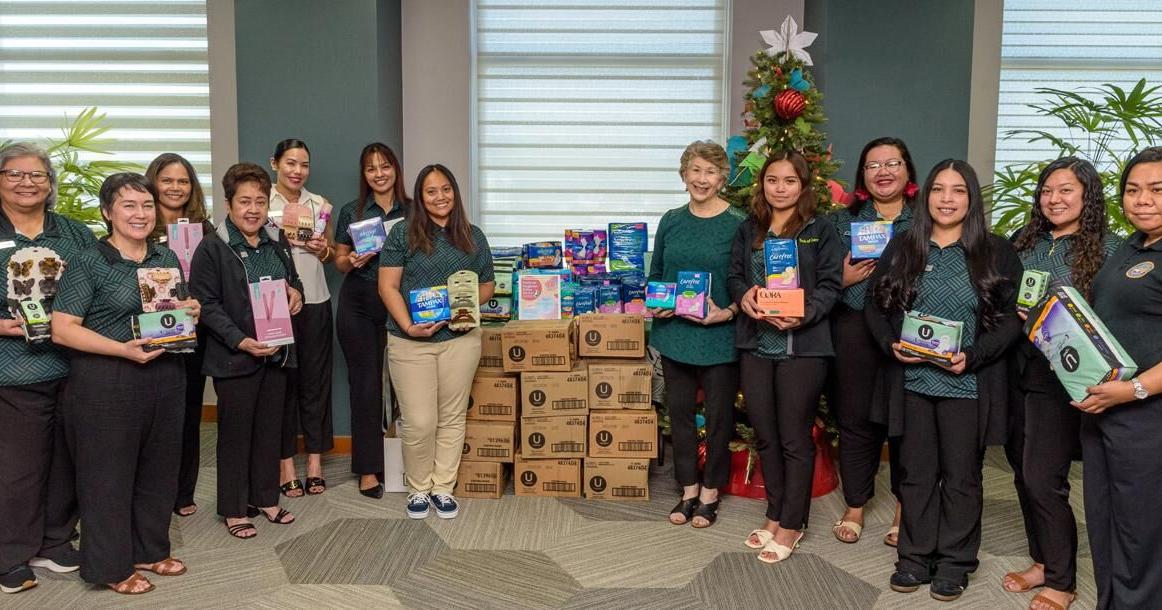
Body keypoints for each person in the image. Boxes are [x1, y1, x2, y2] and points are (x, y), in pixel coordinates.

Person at [865, 159, 1023, 602]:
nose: (947, 199)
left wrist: (973, 356)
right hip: (911, 382)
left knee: (961, 477)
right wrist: (890, 343)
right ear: (925, 196)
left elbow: (1012, 321)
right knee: (914, 474)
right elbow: (874, 308)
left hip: (967, 385)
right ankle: (913, 557)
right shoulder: (903, 246)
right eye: (938, 190)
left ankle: (954, 562)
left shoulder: (995, 251)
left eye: (958, 191)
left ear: (970, 199)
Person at [52, 172, 199, 594]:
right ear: (108, 212)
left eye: (147, 205)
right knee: (107, 478)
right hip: (105, 382)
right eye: (129, 205)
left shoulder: (165, 259)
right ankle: (110, 567)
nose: (140, 214)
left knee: (158, 470)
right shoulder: (88, 261)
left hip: (165, 376)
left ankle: (149, 549)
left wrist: (191, 311)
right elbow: (63, 328)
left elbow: (173, 315)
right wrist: (122, 349)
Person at [1003, 157, 1121, 610]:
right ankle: (1043, 561)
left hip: (1065, 377)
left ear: (1087, 195)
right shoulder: (1025, 242)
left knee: (1043, 477)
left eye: (1066, 190)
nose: (1054, 199)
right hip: (1017, 370)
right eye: (1047, 191)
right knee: (1020, 472)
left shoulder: (1109, 249)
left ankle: (1063, 582)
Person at [729, 151, 844, 563]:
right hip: (756, 345)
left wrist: (803, 314)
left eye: (789, 180)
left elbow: (831, 285)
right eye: (772, 180)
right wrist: (743, 296)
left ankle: (792, 524)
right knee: (766, 435)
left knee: (795, 438)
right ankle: (775, 514)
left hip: (804, 348)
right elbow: (734, 276)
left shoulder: (820, 229)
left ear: (803, 185)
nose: (780, 188)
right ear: (763, 185)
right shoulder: (750, 229)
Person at [188, 162, 303, 539]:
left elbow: (292, 281)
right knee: (236, 434)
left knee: (270, 429)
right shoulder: (213, 247)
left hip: (276, 351)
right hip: (234, 355)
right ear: (228, 204)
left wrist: (295, 293)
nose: (252, 209)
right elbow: (205, 304)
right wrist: (240, 339)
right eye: (244, 202)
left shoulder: (276, 239)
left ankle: (266, 498)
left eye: (259, 201)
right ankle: (236, 508)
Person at [0, 142, 93, 594]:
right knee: (19, 468)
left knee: (64, 461)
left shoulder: (73, 233)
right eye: (15, 174)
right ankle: (10, 554)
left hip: (72, 365)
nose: (27, 183)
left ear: (50, 184)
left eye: (37, 175)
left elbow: (100, 283)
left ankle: (55, 539)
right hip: (14, 370)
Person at [379, 164, 494, 520]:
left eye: (446, 189)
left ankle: (443, 488)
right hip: (410, 341)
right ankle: (419, 488)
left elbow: (488, 285)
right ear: (421, 196)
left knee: (451, 417)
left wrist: (465, 305)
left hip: (460, 340)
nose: (440, 197)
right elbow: (387, 286)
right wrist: (410, 326)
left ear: (455, 193)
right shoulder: (402, 234)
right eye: (431, 191)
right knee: (419, 420)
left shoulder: (473, 235)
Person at [1078, 147, 1162, 610]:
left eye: (1156, 189)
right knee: (1106, 520)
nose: (1142, 199)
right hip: (1106, 409)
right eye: (1133, 189)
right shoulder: (1129, 246)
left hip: (1146, 414)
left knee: (1142, 531)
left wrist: (1132, 390)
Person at [826, 137, 916, 546]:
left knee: (906, 422)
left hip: (908, 331)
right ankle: (856, 502)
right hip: (854, 329)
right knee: (855, 418)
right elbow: (817, 281)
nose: (883, 171)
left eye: (892, 163)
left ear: (907, 171)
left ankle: (904, 505)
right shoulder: (840, 223)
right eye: (873, 165)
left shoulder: (926, 221)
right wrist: (840, 281)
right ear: (862, 176)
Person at [649, 140, 744, 528]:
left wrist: (728, 312)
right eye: (695, 170)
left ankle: (711, 492)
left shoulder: (738, 223)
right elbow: (657, 275)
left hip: (718, 337)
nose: (702, 179)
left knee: (720, 418)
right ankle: (688, 487)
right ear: (684, 175)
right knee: (681, 416)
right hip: (675, 335)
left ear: (722, 177)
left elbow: (747, 282)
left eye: (710, 171)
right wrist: (658, 301)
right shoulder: (671, 219)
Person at [335, 143, 408, 498]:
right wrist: (353, 261)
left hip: (401, 301)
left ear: (396, 168)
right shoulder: (353, 211)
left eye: (385, 166)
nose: (379, 173)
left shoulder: (412, 210)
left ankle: (407, 462)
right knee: (365, 387)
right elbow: (339, 260)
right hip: (359, 303)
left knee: (406, 385)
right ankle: (368, 469)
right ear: (363, 175)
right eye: (370, 168)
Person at [145, 153, 213, 518]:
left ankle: (183, 491)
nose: (175, 188)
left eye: (183, 181)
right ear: (153, 182)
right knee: (154, 415)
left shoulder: (205, 229)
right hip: (151, 334)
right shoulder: (140, 225)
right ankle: (153, 490)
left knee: (188, 413)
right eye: (167, 180)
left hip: (195, 333)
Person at [267, 139, 334, 497]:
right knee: (282, 387)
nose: (297, 171)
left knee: (315, 383)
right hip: (275, 305)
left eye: (304, 165)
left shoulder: (320, 205)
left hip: (316, 300)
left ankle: (314, 462)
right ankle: (285, 463)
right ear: (274, 163)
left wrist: (325, 249)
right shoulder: (261, 203)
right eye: (290, 163)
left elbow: (332, 253)